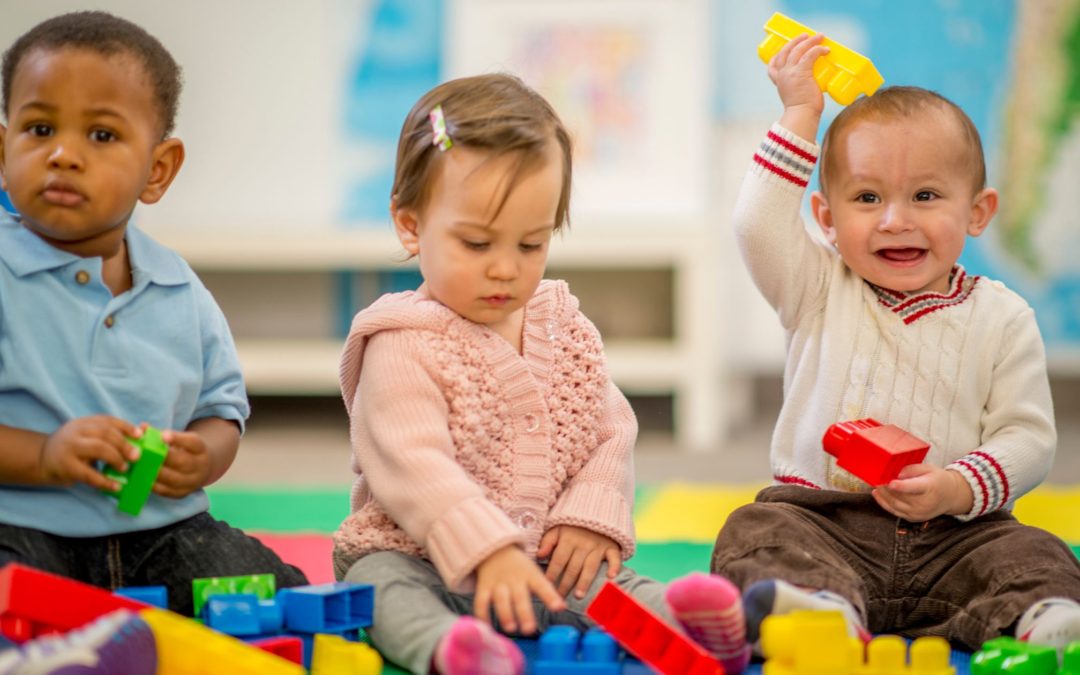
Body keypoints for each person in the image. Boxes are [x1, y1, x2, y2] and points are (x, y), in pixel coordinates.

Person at [332, 72, 749, 675]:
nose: (505, 269)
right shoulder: (402, 341)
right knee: (379, 592)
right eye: (477, 245)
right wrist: (487, 550)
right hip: (415, 555)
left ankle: (692, 628)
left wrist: (591, 518)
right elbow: (413, 464)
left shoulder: (563, 324)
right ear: (410, 225)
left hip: (545, 559)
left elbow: (609, 429)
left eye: (530, 245)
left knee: (608, 588)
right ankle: (451, 650)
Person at [710, 32, 1080, 663]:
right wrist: (801, 112)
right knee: (754, 530)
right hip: (823, 523)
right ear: (826, 219)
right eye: (867, 198)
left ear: (979, 211)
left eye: (926, 197)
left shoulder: (1003, 316)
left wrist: (958, 487)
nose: (894, 220)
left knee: (1040, 552)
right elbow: (756, 224)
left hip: (959, 535)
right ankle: (820, 608)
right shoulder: (817, 285)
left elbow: (1028, 439)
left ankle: (1041, 615)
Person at [0, 11, 307, 615]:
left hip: (161, 535)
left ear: (157, 169)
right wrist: (44, 456)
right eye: (39, 129)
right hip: (22, 529)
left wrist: (202, 457)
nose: (63, 154)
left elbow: (221, 414)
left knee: (272, 591)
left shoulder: (179, 289)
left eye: (102, 136)